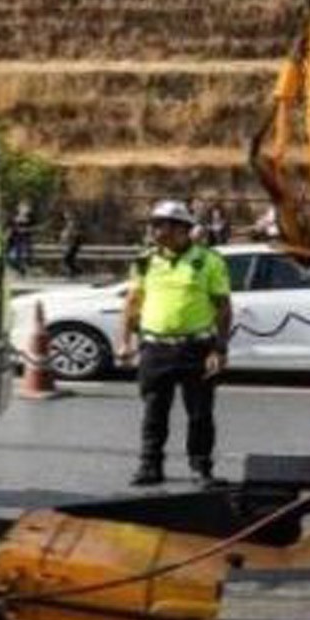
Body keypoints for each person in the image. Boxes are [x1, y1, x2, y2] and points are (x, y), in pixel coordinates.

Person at [118, 200, 232, 487]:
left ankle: (201, 469)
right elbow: (132, 304)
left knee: (200, 413)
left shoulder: (208, 261)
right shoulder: (144, 261)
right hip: (155, 349)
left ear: (183, 228)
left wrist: (219, 348)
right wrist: (125, 341)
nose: (154, 229)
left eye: (161, 224)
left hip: (197, 349)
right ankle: (150, 467)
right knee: (154, 411)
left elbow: (223, 307)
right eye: (153, 224)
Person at [6, 200, 35, 275]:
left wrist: (26, 229)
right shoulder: (13, 216)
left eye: (26, 207)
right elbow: (9, 226)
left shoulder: (31, 217)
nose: (24, 209)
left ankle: (24, 268)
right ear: (18, 208)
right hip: (15, 239)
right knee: (13, 256)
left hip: (25, 238)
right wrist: (14, 229)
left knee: (26, 252)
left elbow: (34, 226)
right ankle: (19, 268)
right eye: (22, 207)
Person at [57, 208, 84, 279]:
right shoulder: (69, 223)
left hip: (72, 244)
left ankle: (74, 272)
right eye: (65, 215)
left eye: (67, 214)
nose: (65, 216)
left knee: (67, 260)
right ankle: (75, 272)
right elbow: (66, 234)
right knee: (68, 260)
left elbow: (74, 234)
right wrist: (62, 241)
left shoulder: (73, 223)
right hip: (69, 244)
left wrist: (69, 240)